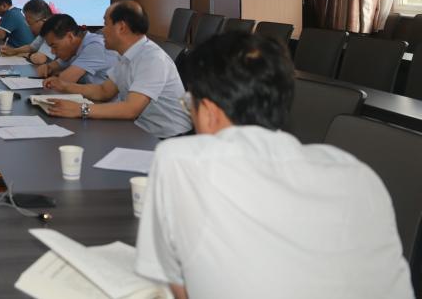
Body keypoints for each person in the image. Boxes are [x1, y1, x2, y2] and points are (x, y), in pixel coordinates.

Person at [135, 32, 413, 299]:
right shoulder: (357, 173)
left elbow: (177, 288)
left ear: (208, 112)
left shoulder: (179, 160)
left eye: (189, 105)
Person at [41, 0, 191, 139]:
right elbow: (104, 91)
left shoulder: (152, 58)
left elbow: (131, 109)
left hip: (168, 138)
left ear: (121, 27)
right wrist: (64, 86)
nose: (102, 30)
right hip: (140, 129)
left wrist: (80, 109)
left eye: (105, 24)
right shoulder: (126, 55)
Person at [35, 13, 117, 84]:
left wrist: (57, 74)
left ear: (70, 37)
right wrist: (47, 67)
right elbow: (53, 66)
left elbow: (64, 81)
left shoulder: (95, 46)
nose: (52, 52)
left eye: (54, 46)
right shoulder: (73, 49)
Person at [0, 0, 55, 66]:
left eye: (29, 23)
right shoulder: (44, 30)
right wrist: (14, 51)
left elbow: (39, 59)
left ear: (43, 20)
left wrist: (26, 54)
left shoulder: (54, 31)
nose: (28, 27)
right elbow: (31, 47)